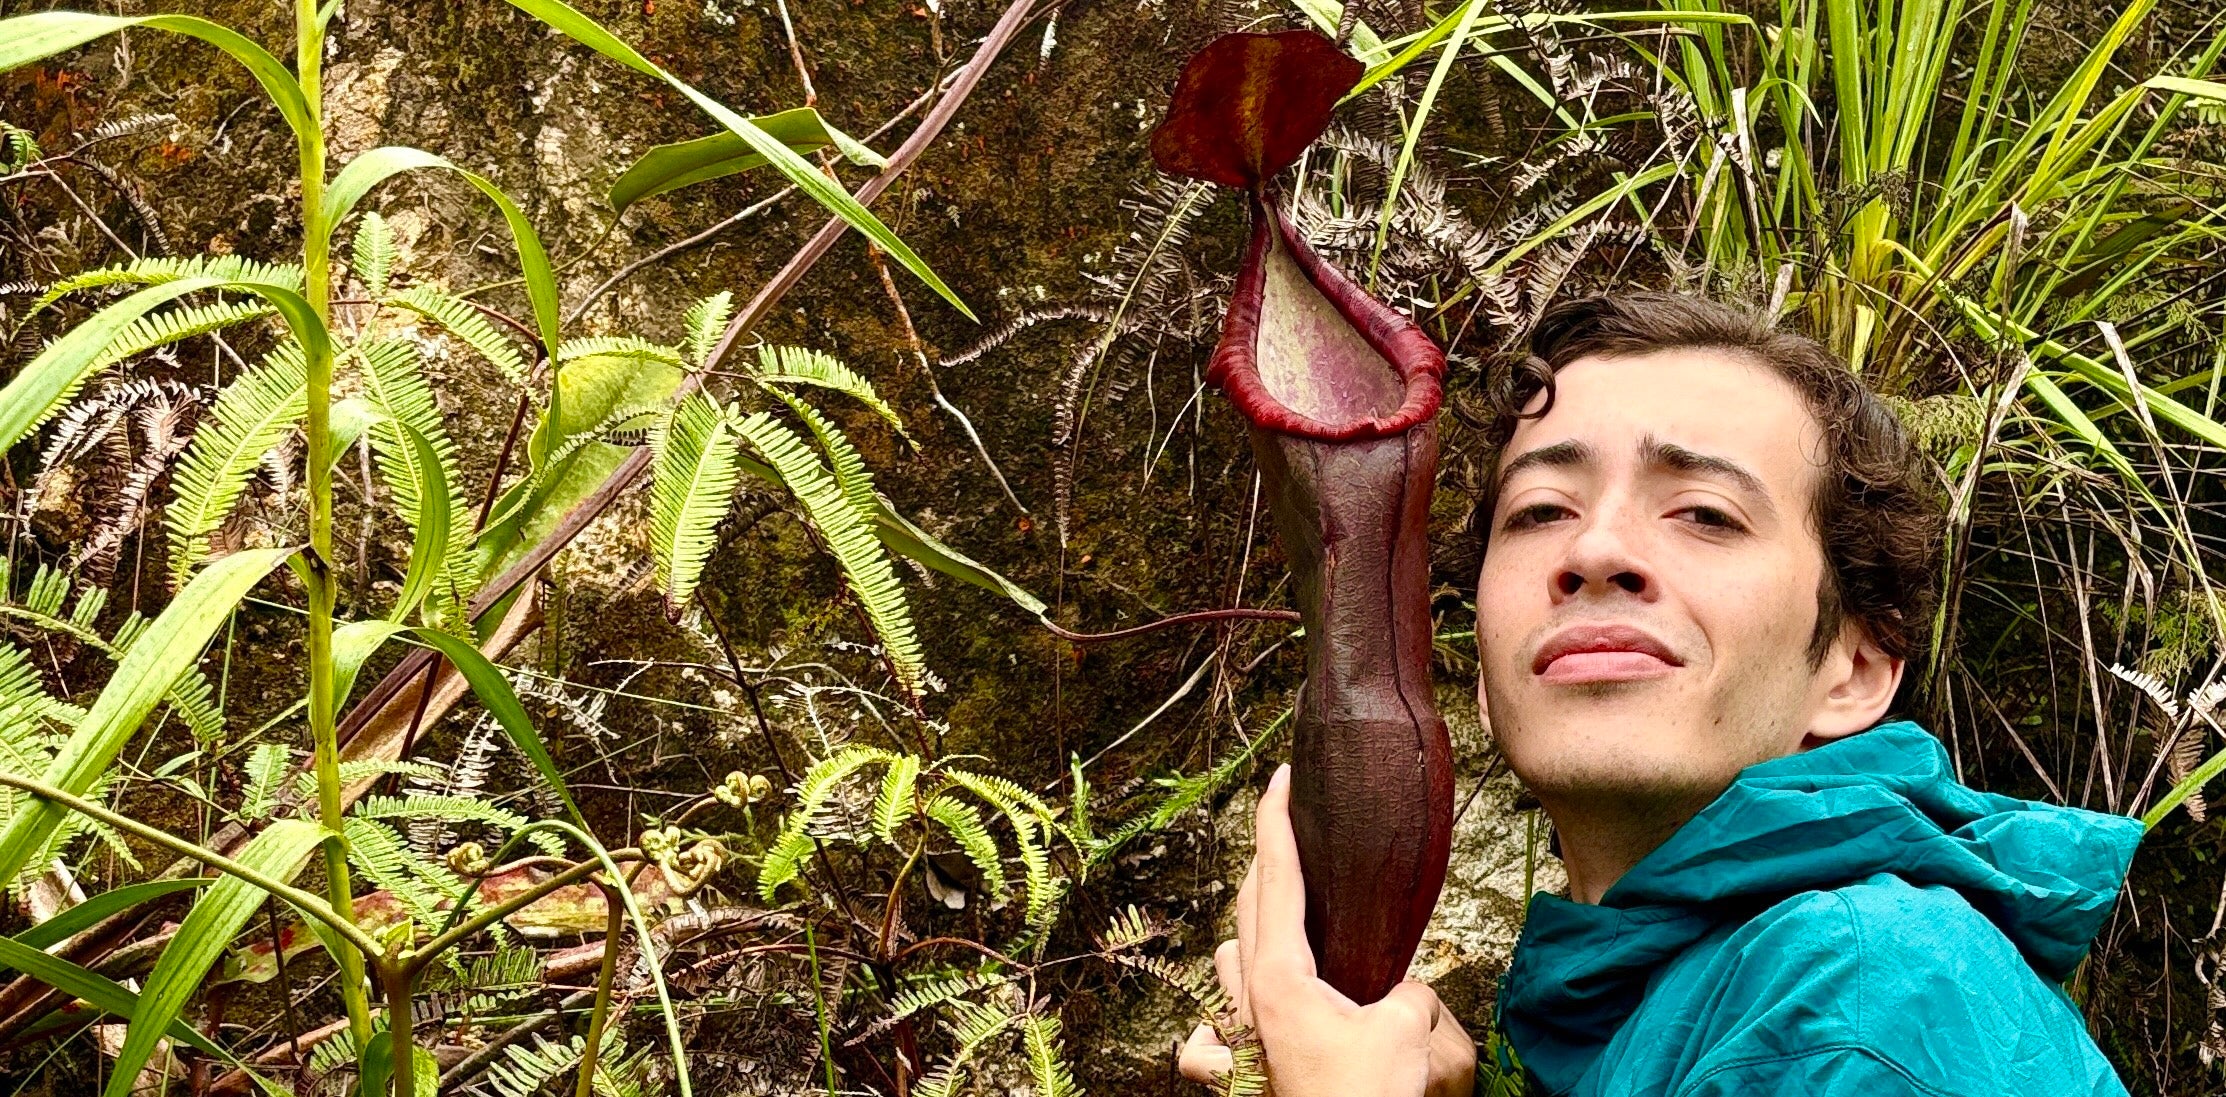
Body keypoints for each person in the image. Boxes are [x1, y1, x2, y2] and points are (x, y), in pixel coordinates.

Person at [1176, 293, 2144, 1096]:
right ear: (1483, 674)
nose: (1595, 548)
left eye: (1705, 513)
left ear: (1854, 669)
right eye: (1541, 510)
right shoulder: (1630, 1009)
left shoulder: (1863, 1003)